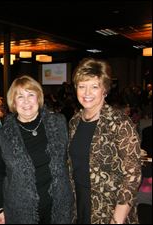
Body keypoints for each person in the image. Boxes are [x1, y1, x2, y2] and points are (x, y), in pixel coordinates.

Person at [0, 75, 74, 224]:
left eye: (31, 95)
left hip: (59, 206)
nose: (26, 101)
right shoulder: (3, 135)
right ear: (13, 102)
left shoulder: (59, 123)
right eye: (20, 97)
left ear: (39, 98)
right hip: (20, 210)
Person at [68, 58, 142, 224]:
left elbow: (132, 175)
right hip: (79, 204)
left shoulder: (120, 122)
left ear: (105, 90)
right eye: (82, 86)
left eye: (94, 86)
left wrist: (118, 219)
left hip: (111, 209)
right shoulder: (74, 122)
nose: (87, 93)